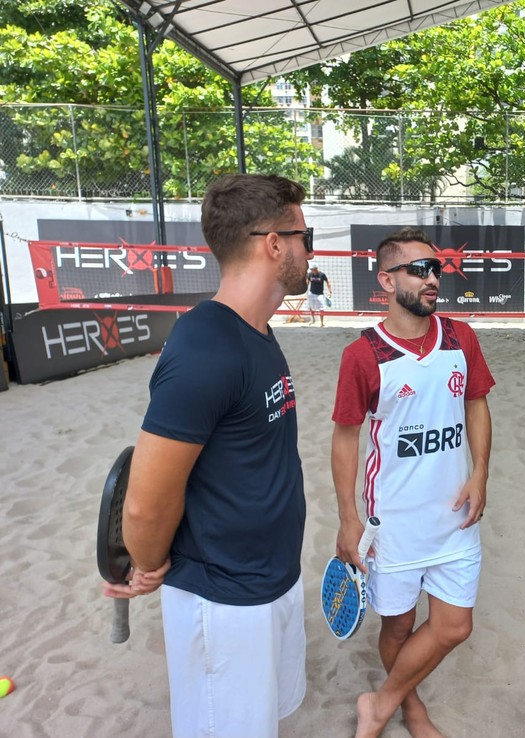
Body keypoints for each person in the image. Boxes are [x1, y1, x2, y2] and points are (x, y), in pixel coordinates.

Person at [102, 174, 312, 738]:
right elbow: (145, 504)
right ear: (273, 244)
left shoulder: (254, 331)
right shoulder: (206, 346)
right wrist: (148, 566)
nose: (307, 249)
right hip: (223, 598)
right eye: (304, 235)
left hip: (270, 579)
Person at [331, 227, 495, 738]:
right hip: (394, 524)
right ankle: (410, 707)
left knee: (454, 626)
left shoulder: (460, 337)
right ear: (386, 279)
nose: (432, 279)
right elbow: (345, 438)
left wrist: (481, 472)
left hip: (454, 518)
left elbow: (476, 403)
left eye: (437, 269)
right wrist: (347, 518)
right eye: (419, 269)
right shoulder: (363, 355)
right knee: (398, 626)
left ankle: (378, 703)